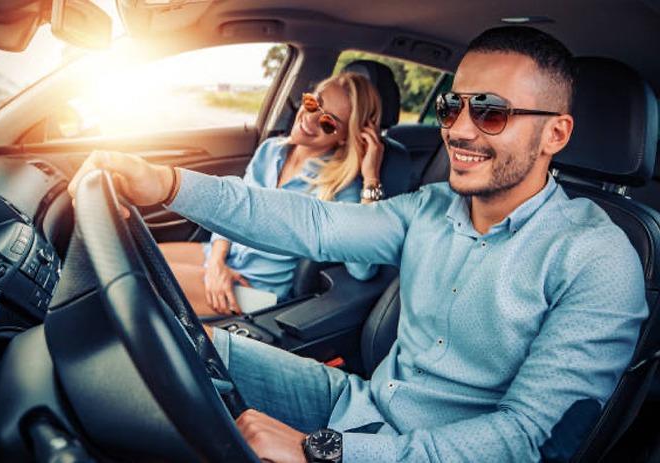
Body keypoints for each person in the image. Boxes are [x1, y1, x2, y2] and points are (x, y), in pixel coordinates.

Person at [68, 26, 647, 463]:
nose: (461, 130)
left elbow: (527, 438)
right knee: (175, 340)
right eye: (454, 105)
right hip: (357, 402)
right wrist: (167, 184)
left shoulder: (597, 257)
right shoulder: (431, 207)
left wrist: (322, 451)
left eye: (491, 112)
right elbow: (312, 224)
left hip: (425, 452)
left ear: (556, 133)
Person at [158, 72, 385, 316]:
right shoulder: (270, 150)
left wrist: (371, 178)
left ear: (345, 138)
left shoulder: (340, 188)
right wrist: (216, 263)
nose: (310, 118)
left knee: (142, 278)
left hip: (254, 288)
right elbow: (230, 208)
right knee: (136, 252)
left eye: (329, 122)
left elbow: (363, 269)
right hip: (225, 257)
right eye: (313, 103)